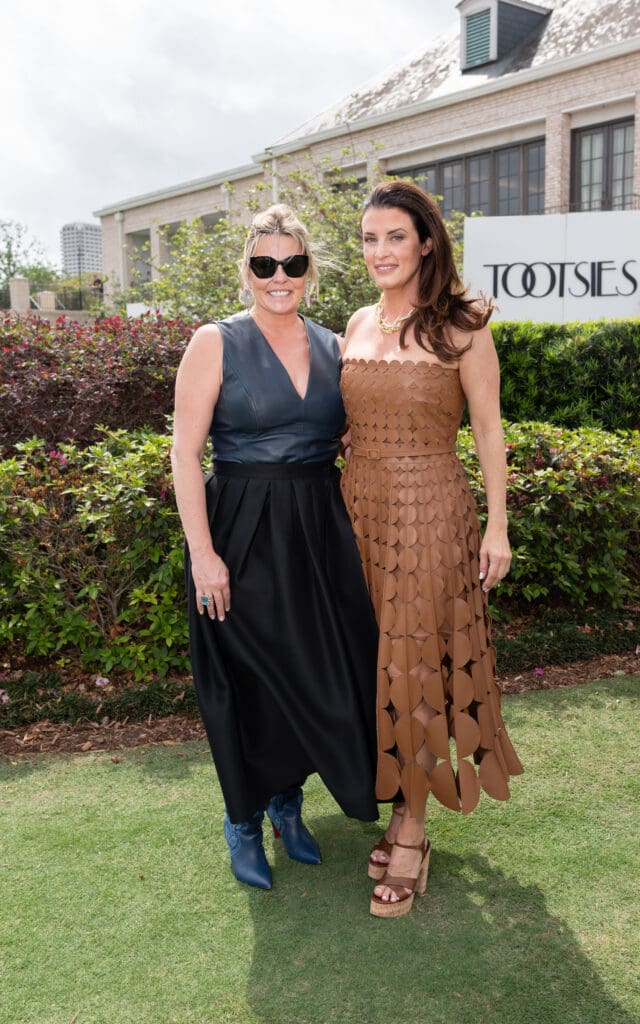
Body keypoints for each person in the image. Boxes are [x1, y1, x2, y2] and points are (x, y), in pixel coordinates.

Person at [171, 204, 379, 891]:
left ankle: (290, 809)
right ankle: (243, 821)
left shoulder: (332, 345)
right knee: (248, 682)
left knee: (322, 672)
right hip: (240, 524)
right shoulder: (215, 341)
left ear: (309, 269)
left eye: (292, 263)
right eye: (265, 264)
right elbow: (183, 452)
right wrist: (202, 553)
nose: (279, 276)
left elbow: (349, 435)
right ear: (248, 271)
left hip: (318, 527)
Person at [340, 180, 523, 917]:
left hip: (428, 514)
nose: (380, 251)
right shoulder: (352, 322)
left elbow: (487, 431)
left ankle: (412, 827)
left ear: (424, 242)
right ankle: (396, 803)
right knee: (371, 663)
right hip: (356, 512)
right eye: (368, 239)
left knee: (414, 666)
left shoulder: (463, 326)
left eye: (393, 237)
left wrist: (498, 526)